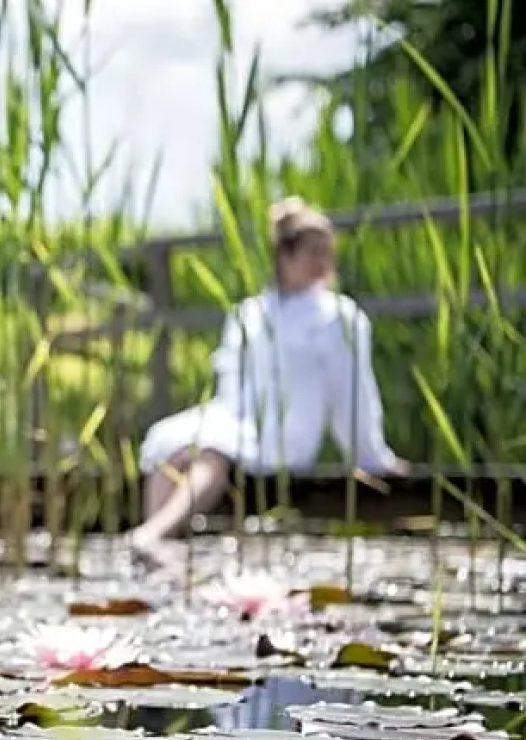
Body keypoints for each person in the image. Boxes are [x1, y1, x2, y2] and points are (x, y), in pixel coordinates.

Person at [126, 196, 409, 570]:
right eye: (313, 252)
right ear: (285, 257)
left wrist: (371, 456)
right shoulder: (251, 312)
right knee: (175, 445)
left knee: (213, 452)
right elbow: (233, 385)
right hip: (241, 417)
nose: (324, 263)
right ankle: (161, 549)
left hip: (286, 432)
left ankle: (151, 535)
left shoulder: (339, 316)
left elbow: (353, 392)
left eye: (327, 252)